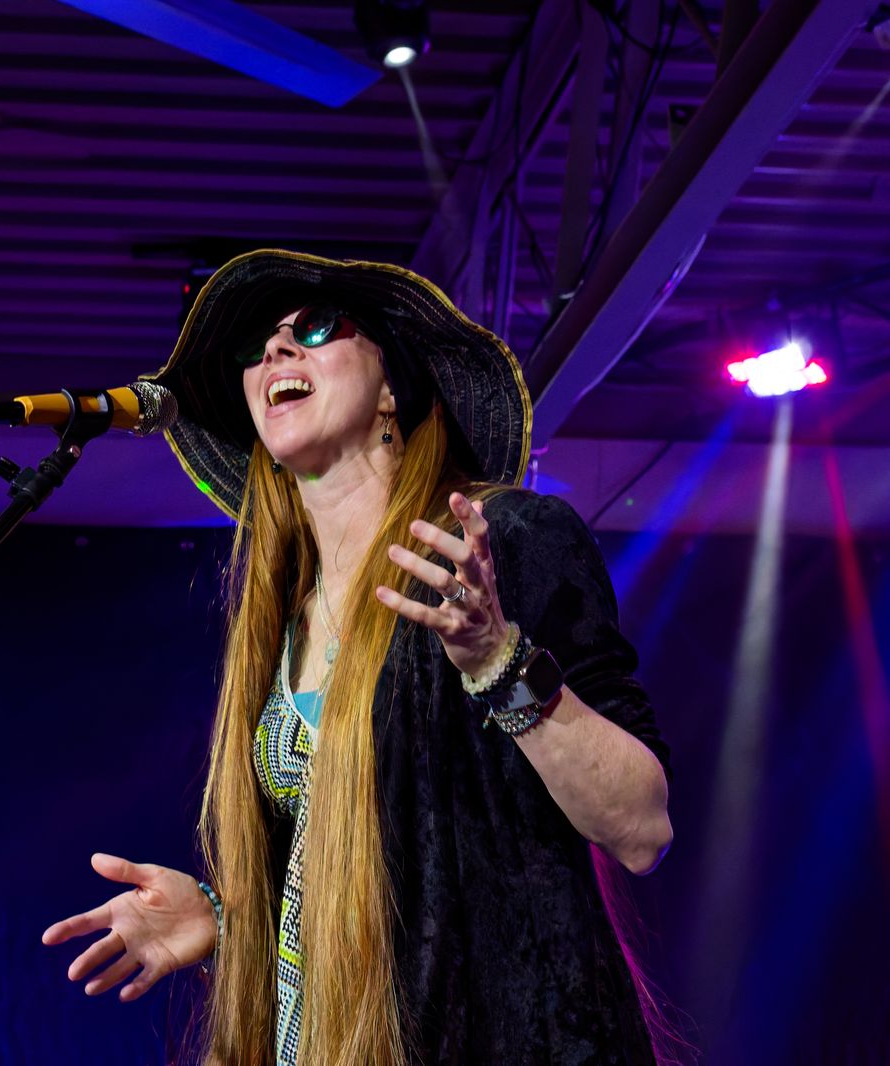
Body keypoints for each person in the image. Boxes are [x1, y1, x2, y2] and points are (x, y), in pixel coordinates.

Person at [43, 251, 675, 1064]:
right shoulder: (284, 616)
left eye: (313, 328)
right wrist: (230, 920)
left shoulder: (501, 543)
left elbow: (641, 826)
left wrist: (497, 660)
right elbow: (366, 880)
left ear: (389, 388)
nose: (276, 350)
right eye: (255, 347)